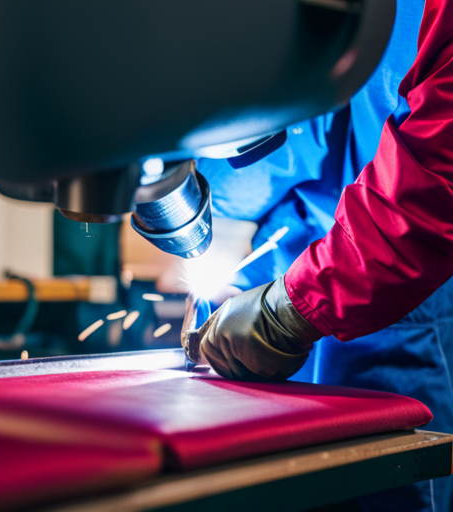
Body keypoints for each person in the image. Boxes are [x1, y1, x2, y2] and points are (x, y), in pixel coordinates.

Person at [194, 0, 453, 510]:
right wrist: (213, 200)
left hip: (412, 287)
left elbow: (435, 178)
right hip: (327, 258)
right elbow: (304, 126)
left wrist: (290, 309)